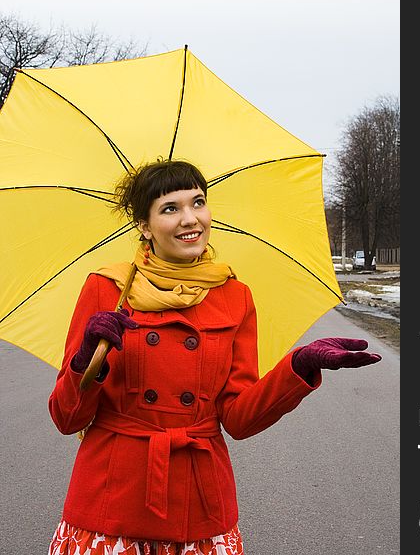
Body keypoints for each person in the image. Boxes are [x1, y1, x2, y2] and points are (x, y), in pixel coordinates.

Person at [48, 159, 381, 555]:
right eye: (170, 208)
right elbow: (67, 418)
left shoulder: (235, 296)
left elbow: (238, 418)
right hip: (110, 505)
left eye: (198, 202)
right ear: (143, 225)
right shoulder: (107, 287)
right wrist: (86, 361)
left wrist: (299, 367)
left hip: (199, 507)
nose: (190, 219)